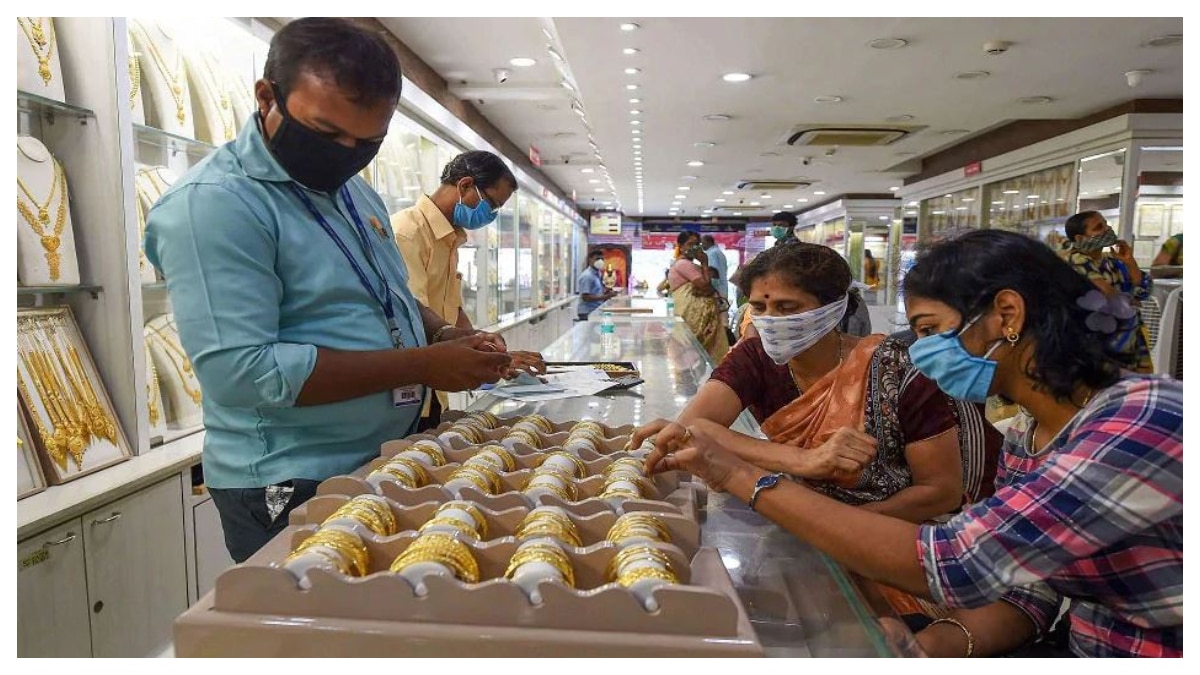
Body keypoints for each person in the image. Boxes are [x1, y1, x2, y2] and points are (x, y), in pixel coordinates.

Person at [646, 230, 1182, 658]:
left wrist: (746, 477)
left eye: (931, 329)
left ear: (1008, 316)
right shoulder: (1028, 437)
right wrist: (931, 645)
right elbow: (1029, 585)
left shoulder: (1139, 424)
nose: (922, 352)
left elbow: (955, 561)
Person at [144, 18, 512, 563]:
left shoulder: (352, 192)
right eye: (326, 132)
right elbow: (245, 371)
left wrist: (441, 332)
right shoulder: (216, 206)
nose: (345, 153)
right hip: (292, 478)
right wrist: (423, 364)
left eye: (368, 141)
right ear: (267, 97)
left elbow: (382, 293)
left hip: (383, 456)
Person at [634, 242, 996, 523]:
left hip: (888, 531)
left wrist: (834, 527)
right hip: (799, 517)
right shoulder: (755, 357)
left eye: (788, 308)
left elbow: (940, 491)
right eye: (759, 308)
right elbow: (693, 428)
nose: (770, 320)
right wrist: (804, 461)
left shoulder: (898, 368)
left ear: (835, 306)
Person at [391, 150, 545, 428]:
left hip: (435, 390)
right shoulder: (408, 232)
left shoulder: (451, 240)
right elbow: (414, 317)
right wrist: (488, 356)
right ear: (464, 185)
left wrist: (489, 352)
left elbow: (454, 311)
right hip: (410, 388)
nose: (491, 215)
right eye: (491, 204)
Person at [1060, 211, 1153, 373]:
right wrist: (1127, 301)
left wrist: (1129, 262)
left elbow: (1142, 293)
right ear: (1080, 239)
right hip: (1098, 344)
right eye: (1098, 228)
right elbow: (1109, 297)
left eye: (1106, 224)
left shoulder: (1112, 261)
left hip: (1129, 342)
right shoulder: (1073, 260)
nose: (1107, 229)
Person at [666, 231, 730, 361]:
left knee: (697, 354)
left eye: (697, 244)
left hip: (696, 316)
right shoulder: (683, 264)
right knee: (692, 352)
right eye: (690, 244)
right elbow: (705, 285)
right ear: (681, 246)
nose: (694, 248)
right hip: (691, 317)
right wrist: (705, 263)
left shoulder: (688, 264)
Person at [577, 249, 616, 320]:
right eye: (597, 259)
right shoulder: (587, 276)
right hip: (587, 312)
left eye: (602, 259)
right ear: (590, 260)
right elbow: (585, 297)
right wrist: (606, 296)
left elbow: (595, 291)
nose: (600, 261)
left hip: (595, 310)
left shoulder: (597, 274)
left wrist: (605, 291)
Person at [701, 234, 728, 300]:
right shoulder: (719, 252)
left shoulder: (711, 253)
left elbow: (712, 272)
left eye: (703, 243)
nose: (701, 245)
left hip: (715, 291)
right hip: (722, 289)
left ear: (709, 242)